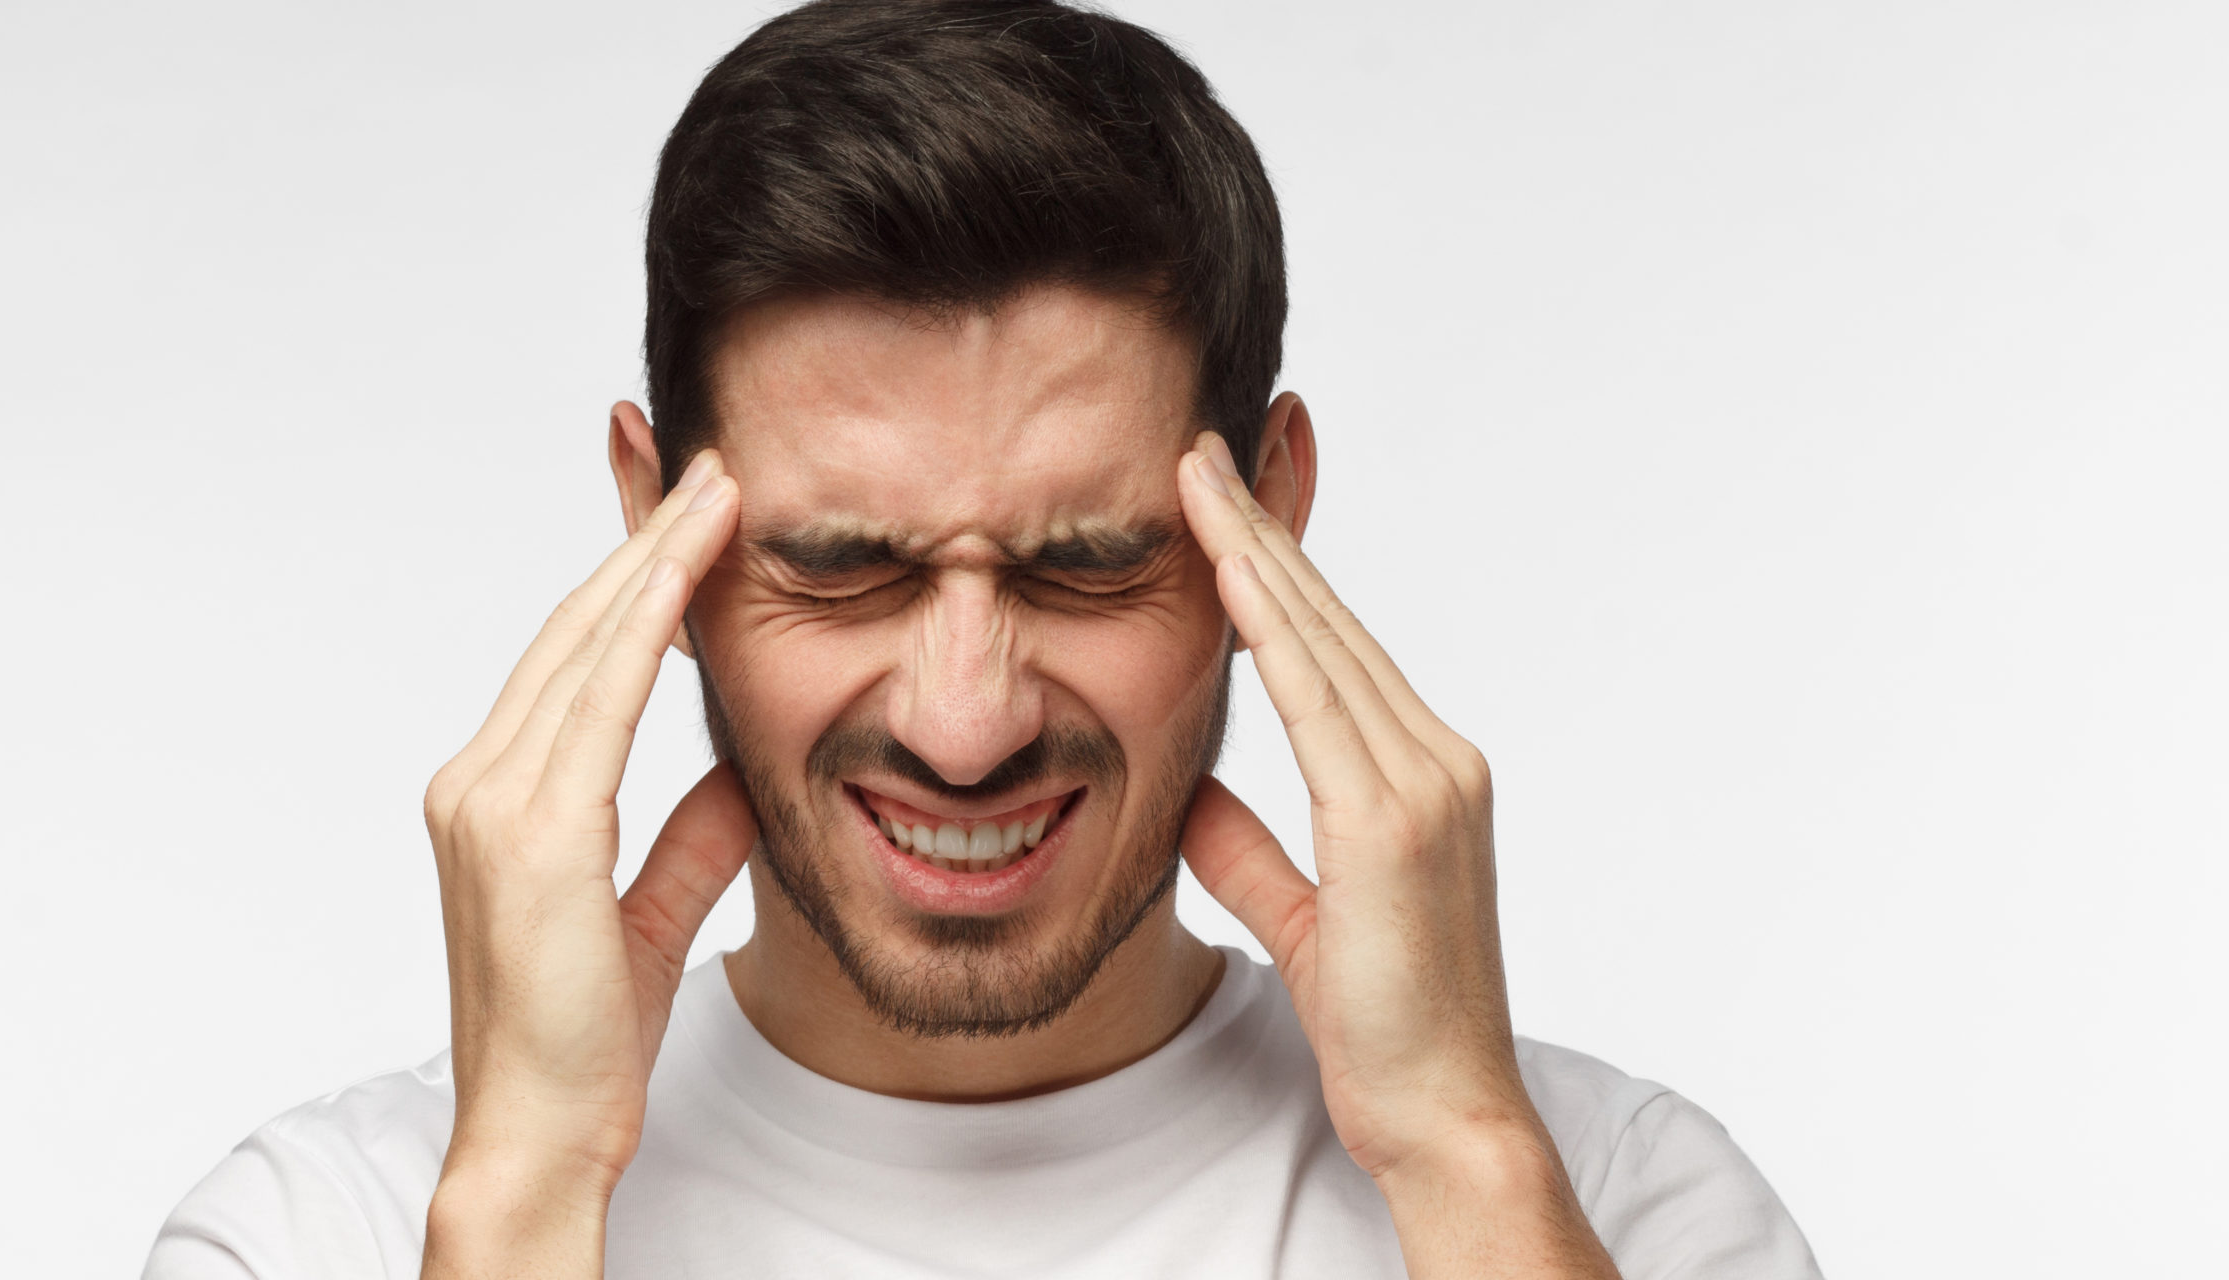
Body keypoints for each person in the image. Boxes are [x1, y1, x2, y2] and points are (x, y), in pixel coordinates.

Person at [143, 2, 1821, 1276]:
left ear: (1273, 514)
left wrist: (1463, 1160)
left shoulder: (1616, 1208)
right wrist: (521, 1194)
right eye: (843, 566)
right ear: (656, 528)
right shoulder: (331, 1234)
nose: (964, 724)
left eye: (1089, 565)